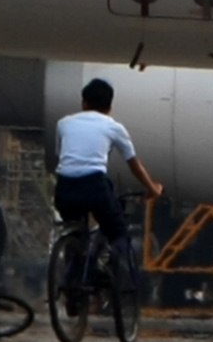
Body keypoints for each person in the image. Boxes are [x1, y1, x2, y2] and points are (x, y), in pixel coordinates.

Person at [48, 77, 162, 282]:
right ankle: (102, 264)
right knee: (118, 233)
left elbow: (62, 158)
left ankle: (72, 284)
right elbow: (134, 165)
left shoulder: (63, 124)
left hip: (64, 190)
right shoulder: (114, 127)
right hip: (95, 187)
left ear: (84, 103)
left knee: (78, 233)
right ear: (110, 107)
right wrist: (152, 188)